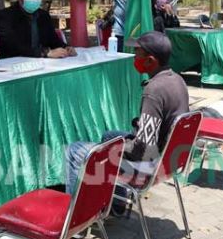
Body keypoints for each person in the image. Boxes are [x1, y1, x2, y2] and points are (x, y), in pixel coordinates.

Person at [64, 31, 189, 197]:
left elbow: (144, 148)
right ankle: (116, 199)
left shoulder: (154, 90)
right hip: (169, 157)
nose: (134, 59)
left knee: (75, 150)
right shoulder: (177, 79)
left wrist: (113, 148)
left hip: (149, 165)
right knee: (109, 135)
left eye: (137, 55)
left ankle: (75, 217)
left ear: (150, 60)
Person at [0, 0, 75, 59]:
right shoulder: (5, 16)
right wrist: (45, 52)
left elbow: (53, 40)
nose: (34, 0)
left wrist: (66, 47)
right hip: (13, 64)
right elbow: (12, 45)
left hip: (42, 64)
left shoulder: (44, 15)